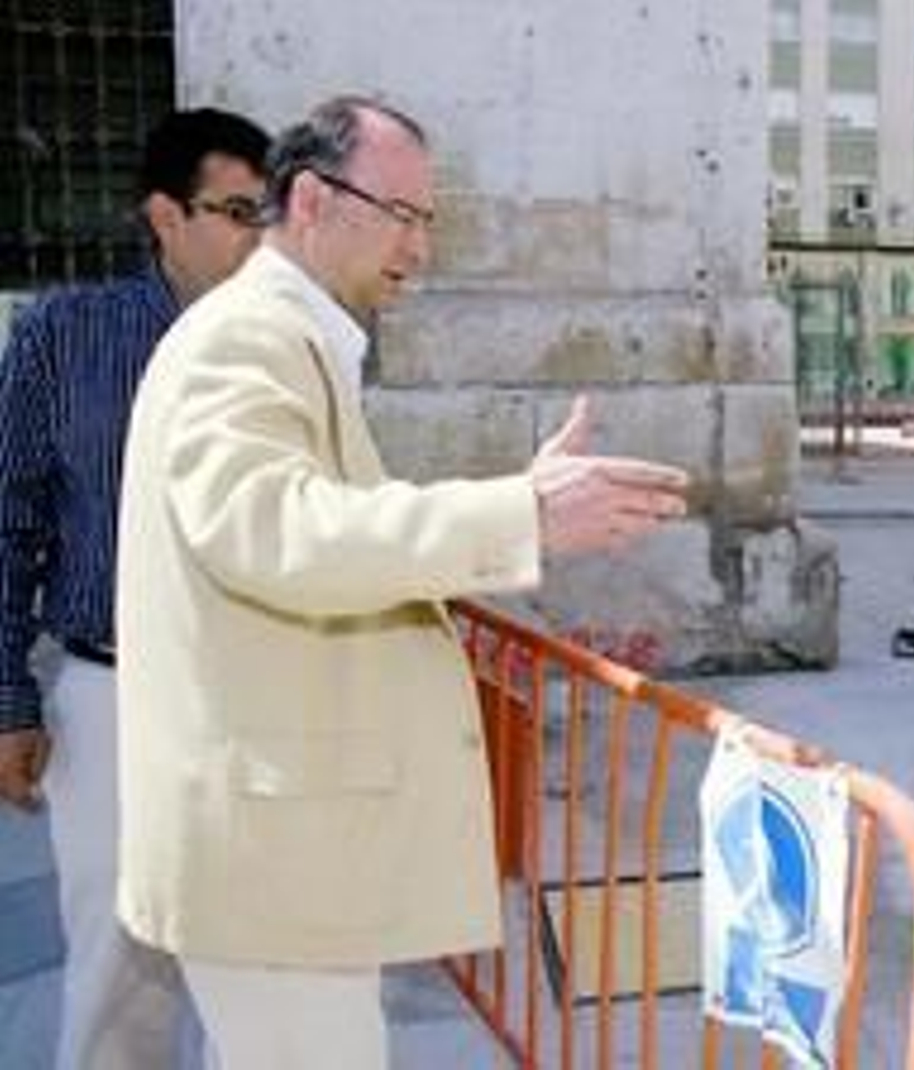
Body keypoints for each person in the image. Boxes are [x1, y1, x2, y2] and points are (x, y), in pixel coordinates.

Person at [113, 95, 689, 1069]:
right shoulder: (244, 340)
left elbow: (323, 525)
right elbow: (280, 530)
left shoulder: (287, 340)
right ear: (308, 199)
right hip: (271, 860)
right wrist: (524, 513)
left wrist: (515, 503)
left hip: (280, 852)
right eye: (401, 214)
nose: (418, 248)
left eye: (428, 221)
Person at [0, 107, 271, 1070]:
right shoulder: (64, 338)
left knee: (261, 969)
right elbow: (10, 523)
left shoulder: (298, 347)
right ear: (165, 215)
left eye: (269, 213)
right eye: (238, 211)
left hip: (261, 701)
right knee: (120, 968)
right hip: (113, 694)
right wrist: (9, 699)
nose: (260, 236)